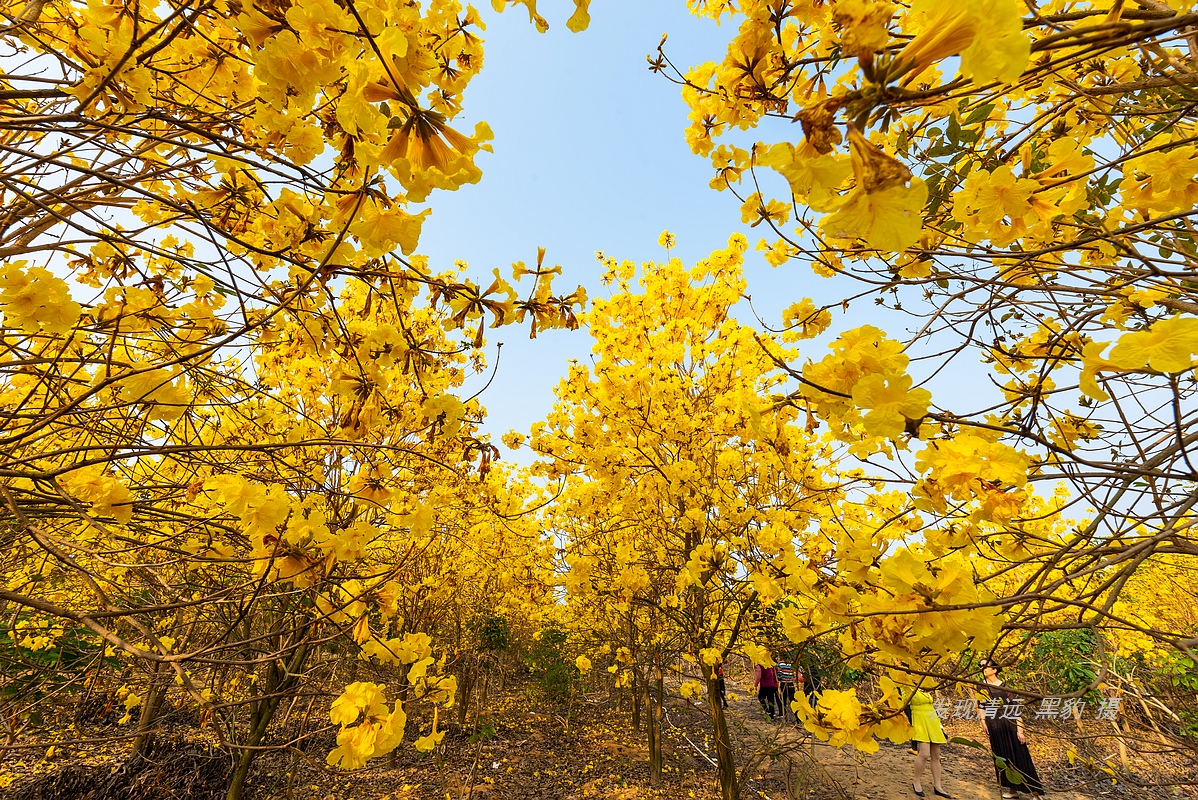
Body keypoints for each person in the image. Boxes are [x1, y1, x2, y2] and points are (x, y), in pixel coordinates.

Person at [980, 659, 1045, 799]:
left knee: (1020, 756)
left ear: (995, 669)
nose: (982, 668)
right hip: (994, 726)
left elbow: (1016, 710)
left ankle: (1035, 792)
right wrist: (983, 722)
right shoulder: (981, 687)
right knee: (1003, 757)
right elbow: (981, 706)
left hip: (1009, 724)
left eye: (985, 666)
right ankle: (1012, 790)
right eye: (980, 666)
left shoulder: (1005, 687)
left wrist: (1020, 730)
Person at [906, 686, 952, 798]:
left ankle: (938, 786)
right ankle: (916, 781)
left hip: (932, 719)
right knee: (925, 753)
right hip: (919, 719)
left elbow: (931, 706)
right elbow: (905, 704)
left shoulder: (924, 687)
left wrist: (940, 725)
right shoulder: (905, 687)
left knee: (936, 755)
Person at [776, 657, 796, 722]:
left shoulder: (780, 664)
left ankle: (784, 718)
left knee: (783, 701)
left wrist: (778, 687)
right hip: (791, 684)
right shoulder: (791, 664)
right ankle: (797, 718)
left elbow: (779, 676)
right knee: (792, 701)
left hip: (783, 684)